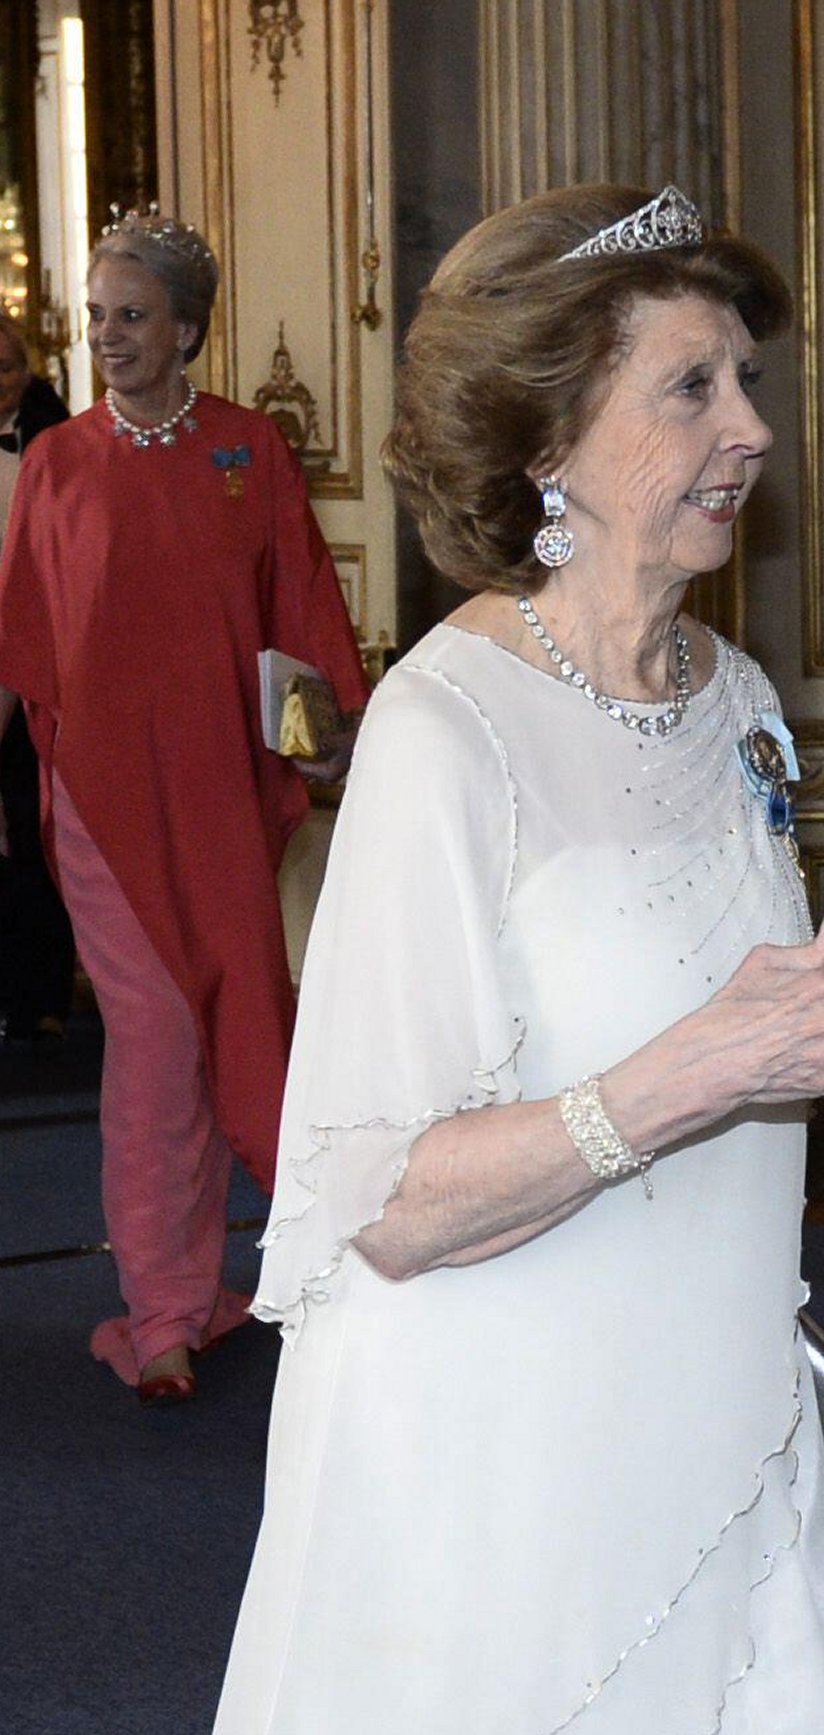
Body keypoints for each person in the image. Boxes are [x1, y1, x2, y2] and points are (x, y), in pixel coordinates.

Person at [214, 183, 824, 1735]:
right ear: (549, 442)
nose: (749, 428)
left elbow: (726, 994)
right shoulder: (448, 728)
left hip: (717, 1398)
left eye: (746, 380)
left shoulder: (736, 691)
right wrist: (703, 1069)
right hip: (505, 1460)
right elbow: (386, 1205)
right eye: (691, 386)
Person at [0, 210, 369, 1405]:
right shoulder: (56, 462)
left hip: (222, 796)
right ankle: (161, 1309)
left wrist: (325, 751)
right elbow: (25, 641)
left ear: (188, 329)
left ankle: (259, 1273)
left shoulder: (248, 451)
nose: (107, 336)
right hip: (103, 807)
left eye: (132, 316)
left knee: (238, 1028)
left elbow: (302, 613)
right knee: (158, 1040)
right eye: (96, 316)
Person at [0, 313, 75, 1043]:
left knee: (34, 830)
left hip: (37, 651)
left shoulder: (59, 443)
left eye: (10, 367)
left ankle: (44, 995)